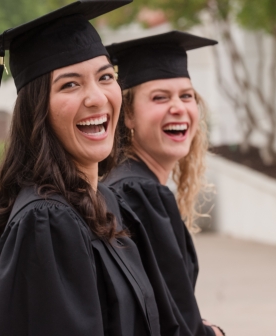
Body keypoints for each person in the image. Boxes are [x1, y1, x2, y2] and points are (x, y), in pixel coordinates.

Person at [0, 1, 183, 335]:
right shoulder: (49, 222)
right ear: (37, 110)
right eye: (70, 84)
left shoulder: (103, 201)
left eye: (105, 77)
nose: (97, 97)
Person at [103, 31, 225, 336]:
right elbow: (175, 324)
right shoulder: (139, 193)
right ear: (127, 114)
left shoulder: (124, 183)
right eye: (160, 97)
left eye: (187, 96)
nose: (179, 107)